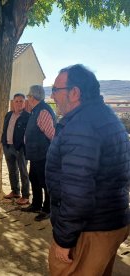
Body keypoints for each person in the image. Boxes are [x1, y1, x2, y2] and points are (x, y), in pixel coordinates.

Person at [46, 64, 130, 275]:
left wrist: (64, 239)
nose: (53, 95)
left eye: (56, 90)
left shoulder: (81, 125)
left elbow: (78, 192)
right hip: (111, 221)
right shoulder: (106, 116)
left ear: (75, 93)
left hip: (90, 229)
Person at [22, 85, 56, 222]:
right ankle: (36, 204)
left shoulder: (43, 111)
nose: (27, 98)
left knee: (45, 182)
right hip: (36, 155)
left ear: (32, 97)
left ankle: (47, 209)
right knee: (34, 179)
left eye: (28, 96)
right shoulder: (36, 110)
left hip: (43, 155)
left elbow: (52, 135)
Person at [1, 93, 30, 205]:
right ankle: (15, 191)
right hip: (7, 146)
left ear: (24, 103)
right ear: (13, 102)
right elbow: (5, 129)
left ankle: (26, 195)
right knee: (12, 170)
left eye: (21, 101)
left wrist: (23, 146)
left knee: (23, 172)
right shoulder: (8, 115)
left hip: (20, 149)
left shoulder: (27, 116)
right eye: (16, 101)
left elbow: (28, 134)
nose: (18, 103)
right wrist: (3, 142)